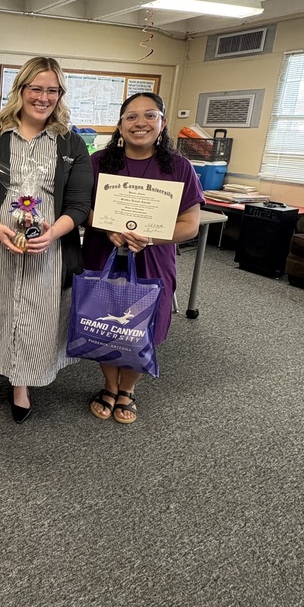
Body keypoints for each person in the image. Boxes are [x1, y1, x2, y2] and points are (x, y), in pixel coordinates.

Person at [0, 57, 93, 424]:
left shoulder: (71, 142)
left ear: (60, 95)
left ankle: (21, 386)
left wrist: (53, 233)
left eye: (52, 90)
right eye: (36, 89)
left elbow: (78, 204)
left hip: (48, 249)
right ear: (21, 90)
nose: (43, 98)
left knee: (34, 317)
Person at [82, 93, 204, 425]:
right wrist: (107, 228)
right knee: (104, 320)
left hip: (153, 259)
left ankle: (128, 389)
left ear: (163, 123)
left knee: (144, 325)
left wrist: (150, 237)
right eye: (131, 117)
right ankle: (108, 385)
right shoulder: (97, 162)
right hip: (104, 253)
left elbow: (190, 224)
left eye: (150, 115)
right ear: (120, 125)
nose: (140, 123)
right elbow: (82, 209)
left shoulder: (179, 167)